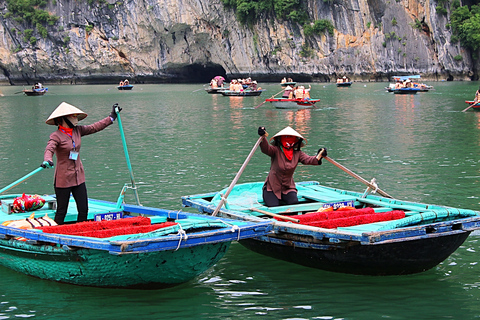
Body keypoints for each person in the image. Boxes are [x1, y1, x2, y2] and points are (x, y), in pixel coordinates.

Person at [41, 102, 122, 224]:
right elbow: (49, 149)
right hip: (63, 178)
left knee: (83, 209)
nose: (76, 118)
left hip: (78, 176)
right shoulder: (56, 136)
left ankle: (81, 232)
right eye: (73, 116)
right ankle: (55, 236)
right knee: (62, 210)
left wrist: (112, 117)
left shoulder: (78, 131)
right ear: (63, 119)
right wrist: (48, 160)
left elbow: (95, 127)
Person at [257, 126, 327, 207]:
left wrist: (319, 155)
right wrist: (263, 136)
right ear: (280, 139)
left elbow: (309, 160)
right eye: (286, 137)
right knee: (273, 206)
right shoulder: (276, 150)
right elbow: (266, 148)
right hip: (272, 188)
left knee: (294, 204)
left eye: (291, 138)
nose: (289, 140)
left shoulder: (298, 153)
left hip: (288, 188)